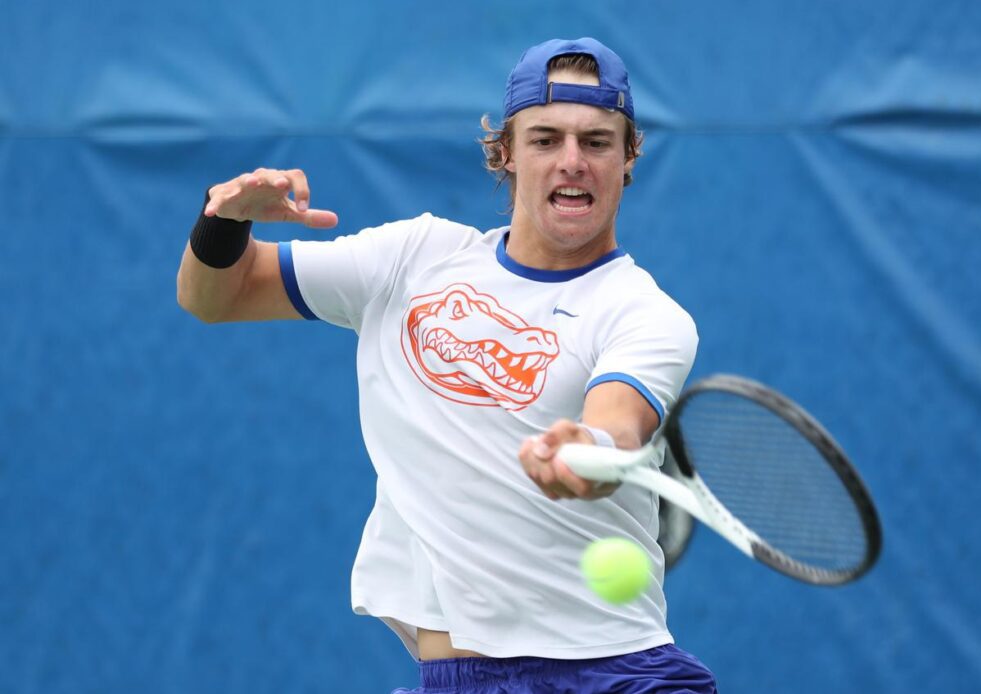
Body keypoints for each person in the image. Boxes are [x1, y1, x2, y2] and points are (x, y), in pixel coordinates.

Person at [177, 37, 717, 693]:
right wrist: (224, 222)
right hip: (457, 675)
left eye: (596, 142)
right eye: (546, 139)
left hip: (614, 675)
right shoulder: (414, 257)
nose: (572, 162)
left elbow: (619, 423)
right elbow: (216, 296)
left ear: (628, 157)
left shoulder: (644, 313)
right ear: (507, 153)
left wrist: (587, 449)